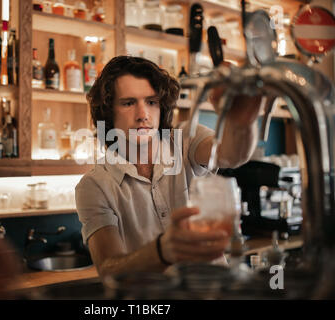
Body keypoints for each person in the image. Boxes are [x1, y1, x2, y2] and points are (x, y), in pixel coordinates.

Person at [75, 56, 262, 278]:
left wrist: (242, 121)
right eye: (128, 103)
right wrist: (161, 252)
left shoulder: (186, 140)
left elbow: (232, 155)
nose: (143, 115)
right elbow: (109, 270)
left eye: (152, 102)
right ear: (108, 112)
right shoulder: (94, 186)